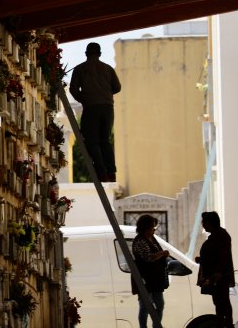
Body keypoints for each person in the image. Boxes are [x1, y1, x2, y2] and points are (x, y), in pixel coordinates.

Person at [68, 42, 121, 182]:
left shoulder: (80, 69)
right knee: (105, 141)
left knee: (92, 142)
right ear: (100, 54)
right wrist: (105, 93)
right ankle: (111, 172)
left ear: (86, 53)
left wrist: (83, 99)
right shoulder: (108, 69)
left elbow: (73, 89)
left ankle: (101, 172)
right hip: (108, 108)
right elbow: (117, 87)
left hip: (91, 108)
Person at [195, 211, 236, 328]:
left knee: (222, 302)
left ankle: (225, 324)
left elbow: (221, 258)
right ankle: (222, 323)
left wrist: (215, 276)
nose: (202, 224)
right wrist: (202, 259)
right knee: (219, 303)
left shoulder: (221, 236)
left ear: (209, 223)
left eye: (203, 222)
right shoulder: (216, 235)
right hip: (216, 277)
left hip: (219, 277)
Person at [132, 214, 170, 328]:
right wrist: (162, 253)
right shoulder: (140, 241)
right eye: (152, 228)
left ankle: (156, 325)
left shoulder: (152, 239)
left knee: (160, 304)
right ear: (145, 228)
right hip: (145, 278)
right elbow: (148, 257)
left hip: (156, 279)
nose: (154, 230)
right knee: (145, 306)